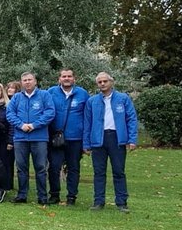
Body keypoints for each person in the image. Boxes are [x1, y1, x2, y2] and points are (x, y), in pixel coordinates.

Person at [83, 72, 138, 212]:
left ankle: (121, 202)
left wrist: (132, 139)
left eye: (105, 81)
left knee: (119, 171)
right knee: (99, 172)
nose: (102, 84)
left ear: (111, 82)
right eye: (99, 82)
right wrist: (86, 144)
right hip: (98, 139)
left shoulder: (123, 98)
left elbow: (131, 118)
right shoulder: (92, 101)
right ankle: (98, 202)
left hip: (117, 138)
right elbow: (87, 123)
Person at [6, 71, 56, 204]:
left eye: (29, 80)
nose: (27, 82)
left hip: (39, 137)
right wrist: (21, 125)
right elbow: (10, 114)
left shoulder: (44, 95)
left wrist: (34, 125)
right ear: (21, 83)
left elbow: (50, 113)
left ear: (35, 81)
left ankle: (42, 196)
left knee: (40, 168)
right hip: (20, 138)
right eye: (24, 80)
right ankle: (22, 195)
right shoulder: (16, 97)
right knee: (21, 168)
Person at [48, 68, 89, 205]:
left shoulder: (82, 94)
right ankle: (54, 194)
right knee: (54, 167)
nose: (66, 78)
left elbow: (88, 117)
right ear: (59, 79)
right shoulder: (51, 92)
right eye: (64, 76)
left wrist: (86, 140)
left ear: (74, 78)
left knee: (73, 168)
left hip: (75, 138)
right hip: (55, 138)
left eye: (69, 76)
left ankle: (72, 196)